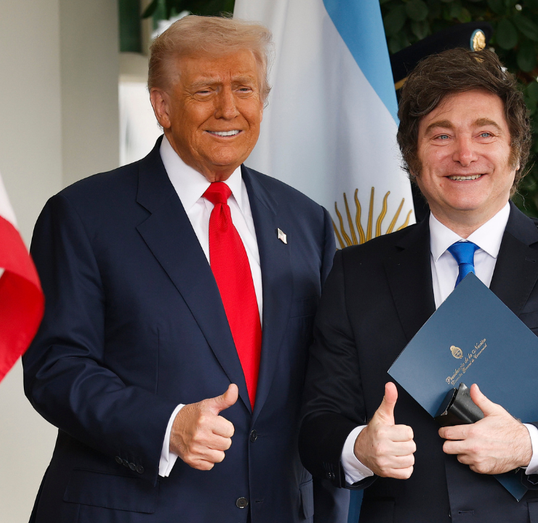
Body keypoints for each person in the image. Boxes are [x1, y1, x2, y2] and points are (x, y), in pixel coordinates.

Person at [298, 48, 538, 522]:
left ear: (516, 150)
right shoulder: (354, 273)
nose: (464, 154)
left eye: (485, 133)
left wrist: (528, 445)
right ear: (412, 154)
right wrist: (359, 448)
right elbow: (316, 425)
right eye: (441, 135)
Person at [23, 15, 346, 523]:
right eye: (204, 91)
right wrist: (165, 426)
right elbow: (55, 368)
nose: (228, 108)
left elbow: (328, 380)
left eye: (244, 88)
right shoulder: (84, 215)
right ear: (162, 106)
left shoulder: (307, 222)